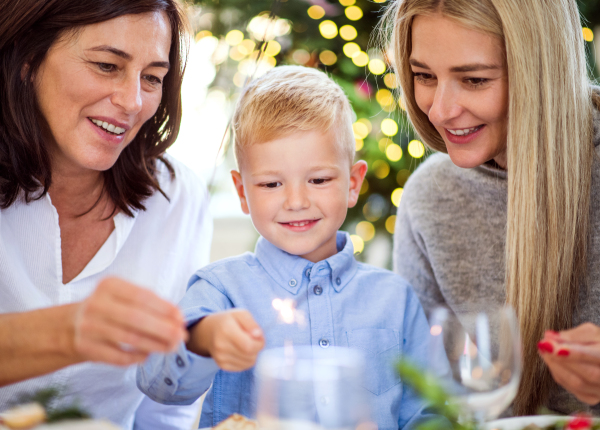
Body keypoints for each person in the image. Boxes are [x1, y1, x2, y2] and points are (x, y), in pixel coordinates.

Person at [137, 66, 435, 429]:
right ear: (243, 192)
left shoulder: (395, 299)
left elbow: (431, 409)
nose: (296, 201)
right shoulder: (220, 289)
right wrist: (205, 337)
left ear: (353, 183)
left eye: (319, 179)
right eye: (271, 184)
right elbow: (158, 383)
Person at [0, 0, 211, 428]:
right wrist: (67, 331)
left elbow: (166, 407)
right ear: (27, 59)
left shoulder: (176, 196)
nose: (132, 101)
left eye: (152, 77)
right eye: (106, 65)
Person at [386, 0, 600, 417]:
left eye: (475, 80)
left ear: (542, 69)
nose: (441, 109)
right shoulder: (431, 198)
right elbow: (427, 398)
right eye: (424, 76)